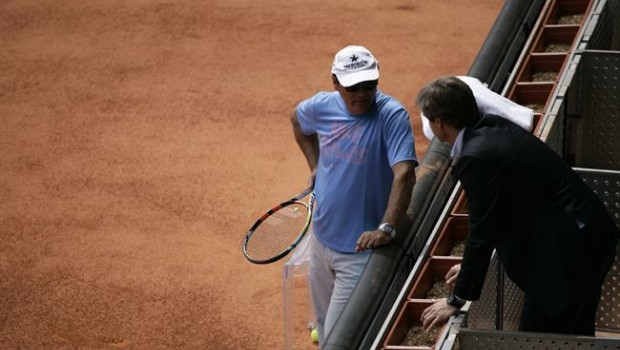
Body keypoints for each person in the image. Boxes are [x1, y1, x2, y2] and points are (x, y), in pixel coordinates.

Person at [417, 76, 619, 335]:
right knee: (576, 336)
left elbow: (482, 228)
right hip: (588, 241)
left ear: (439, 123)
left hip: (565, 261)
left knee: (536, 340)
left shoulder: (475, 156)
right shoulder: (493, 127)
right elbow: (515, 204)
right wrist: (470, 267)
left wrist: (456, 298)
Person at [290, 45, 417, 345]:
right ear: (335, 82)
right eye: (353, 87)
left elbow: (405, 174)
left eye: (369, 85)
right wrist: (314, 165)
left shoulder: (391, 115)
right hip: (321, 239)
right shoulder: (322, 106)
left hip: (359, 253)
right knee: (323, 331)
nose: (362, 93)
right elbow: (297, 120)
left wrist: (386, 227)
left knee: (341, 340)